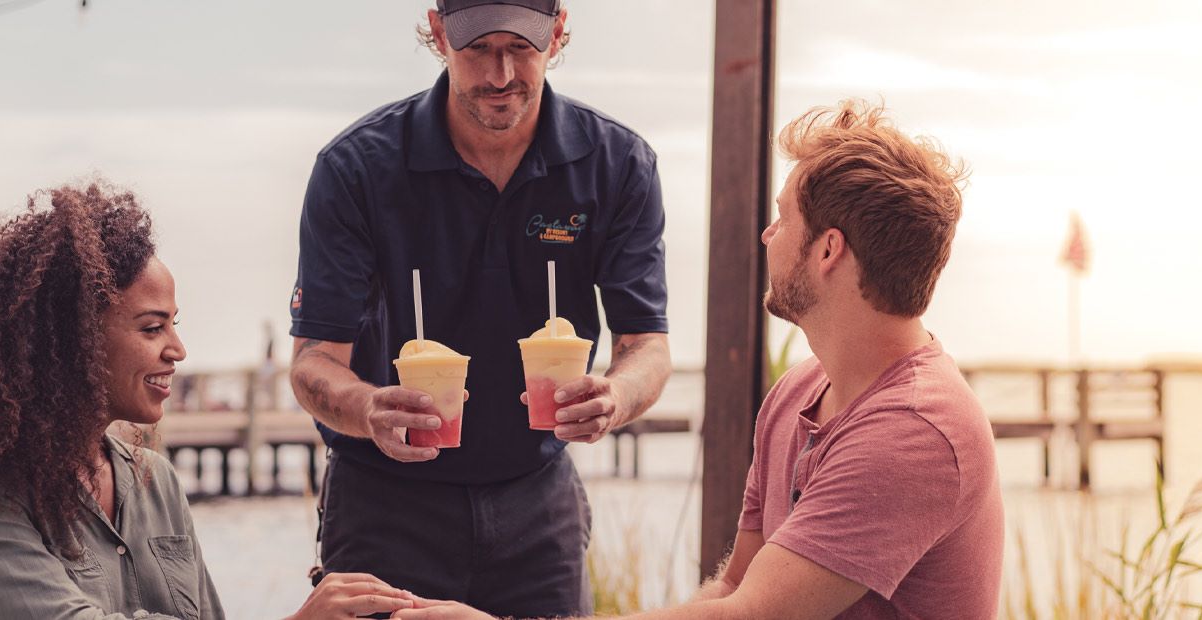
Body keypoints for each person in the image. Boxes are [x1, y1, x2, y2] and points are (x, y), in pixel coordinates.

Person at [397, 100, 1004, 619]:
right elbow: (734, 587)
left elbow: (751, 615)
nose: (767, 235)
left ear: (828, 251)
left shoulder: (912, 431)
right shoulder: (798, 393)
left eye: (784, 217)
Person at [0, 182, 418, 619]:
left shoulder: (158, 482)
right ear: (72, 339)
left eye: (174, 325)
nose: (177, 350)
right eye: (152, 328)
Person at [286, 1, 673, 617]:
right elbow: (312, 361)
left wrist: (617, 396)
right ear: (439, 32)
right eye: (478, 50)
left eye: (520, 48)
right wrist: (369, 408)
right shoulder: (355, 167)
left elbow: (645, 343)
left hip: (537, 498)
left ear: (558, 32)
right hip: (383, 500)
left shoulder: (618, 163)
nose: (500, 75)